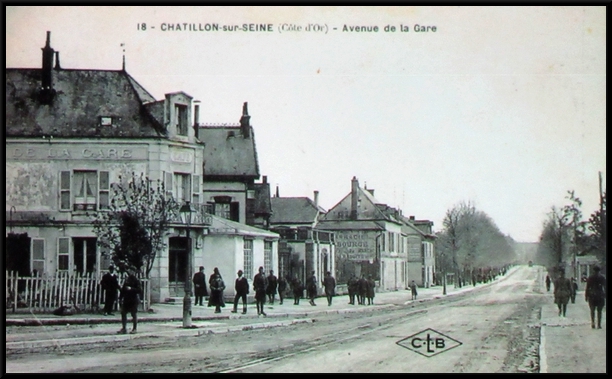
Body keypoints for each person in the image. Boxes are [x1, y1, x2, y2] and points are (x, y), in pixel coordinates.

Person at [117, 270, 142, 334]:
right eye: (129, 271)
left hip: (133, 299)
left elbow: (140, 290)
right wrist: (120, 298)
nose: (130, 272)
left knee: (133, 314)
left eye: (131, 271)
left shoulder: (136, 280)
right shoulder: (127, 280)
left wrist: (131, 289)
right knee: (123, 313)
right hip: (126, 299)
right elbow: (123, 290)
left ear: (134, 272)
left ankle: (134, 328)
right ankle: (124, 328)